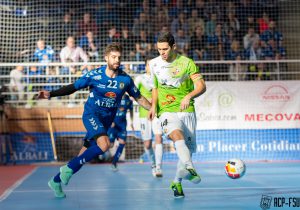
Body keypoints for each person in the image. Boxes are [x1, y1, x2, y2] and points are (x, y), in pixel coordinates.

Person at [37, 43, 151, 198]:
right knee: (104, 144)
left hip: (104, 122)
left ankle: (56, 181)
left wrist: (153, 109)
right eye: (113, 57)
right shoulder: (94, 75)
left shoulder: (125, 79)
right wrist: (51, 94)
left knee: (82, 156)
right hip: (91, 115)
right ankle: (67, 169)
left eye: (119, 57)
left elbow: (139, 98)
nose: (117, 60)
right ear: (106, 58)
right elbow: (73, 87)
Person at [148, 32, 206, 198]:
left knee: (187, 149)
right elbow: (155, 88)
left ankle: (177, 182)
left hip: (186, 111)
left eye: (165, 49)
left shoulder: (187, 63)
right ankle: (190, 168)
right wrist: (153, 106)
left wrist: (189, 96)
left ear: (173, 47)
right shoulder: (153, 64)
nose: (162, 53)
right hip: (166, 110)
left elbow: (201, 86)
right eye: (159, 49)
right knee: (176, 136)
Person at [135, 58, 163, 177]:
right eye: (148, 65)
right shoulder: (139, 79)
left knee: (159, 139)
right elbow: (133, 95)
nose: (150, 67)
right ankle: (153, 164)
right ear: (146, 66)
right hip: (143, 114)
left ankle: (158, 168)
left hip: (157, 113)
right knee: (147, 144)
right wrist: (147, 103)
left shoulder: (160, 78)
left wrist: (155, 103)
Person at [107, 93, 134, 171]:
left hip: (122, 126)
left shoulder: (128, 100)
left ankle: (114, 162)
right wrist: (110, 120)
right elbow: (108, 110)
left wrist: (132, 122)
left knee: (122, 143)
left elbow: (131, 110)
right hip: (113, 126)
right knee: (110, 145)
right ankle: (100, 155)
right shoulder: (113, 97)